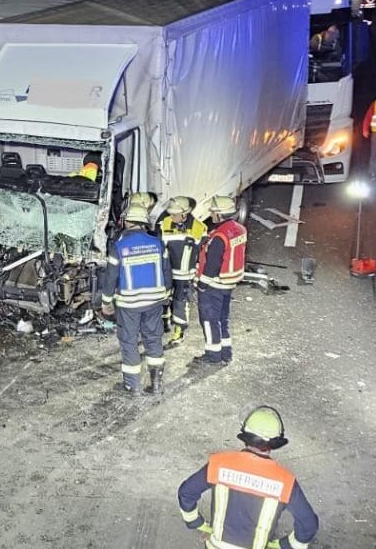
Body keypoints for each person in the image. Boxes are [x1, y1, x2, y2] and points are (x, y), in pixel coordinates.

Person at [178, 406, 319, 549]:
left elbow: (186, 492)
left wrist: (197, 523)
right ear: (274, 444)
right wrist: (285, 544)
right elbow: (309, 525)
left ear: (246, 437)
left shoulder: (219, 464)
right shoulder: (285, 482)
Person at [100, 202, 173, 396]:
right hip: (154, 303)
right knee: (153, 339)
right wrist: (166, 295)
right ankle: (156, 383)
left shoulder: (119, 246)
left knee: (129, 341)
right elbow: (167, 272)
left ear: (127, 222)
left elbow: (110, 278)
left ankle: (133, 385)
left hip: (129, 305)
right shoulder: (157, 243)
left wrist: (106, 302)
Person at [193, 195, 246, 366]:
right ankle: (226, 353)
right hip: (229, 283)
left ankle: (213, 355)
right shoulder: (239, 229)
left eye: (213, 212)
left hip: (214, 285)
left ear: (220, 214)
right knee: (222, 319)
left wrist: (202, 284)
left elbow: (212, 264)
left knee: (209, 320)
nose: (211, 215)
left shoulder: (219, 237)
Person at [154, 196, 206, 347]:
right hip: (167, 272)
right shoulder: (164, 224)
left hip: (185, 275)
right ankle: (164, 323)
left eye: (175, 214)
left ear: (185, 213)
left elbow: (202, 253)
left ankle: (179, 331)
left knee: (180, 303)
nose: (172, 216)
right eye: (170, 213)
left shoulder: (199, 228)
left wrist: (197, 275)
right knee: (163, 299)